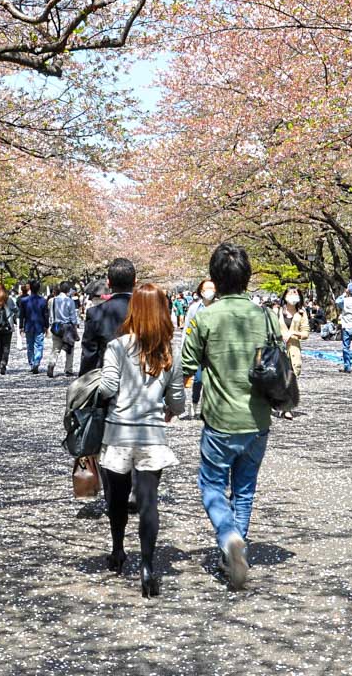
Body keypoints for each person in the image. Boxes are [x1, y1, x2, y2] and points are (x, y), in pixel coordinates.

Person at [180, 243, 273, 591]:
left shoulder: (204, 317)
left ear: (215, 281)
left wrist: (170, 405)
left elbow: (186, 367)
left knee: (212, 485)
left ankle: (229, 536)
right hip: (258, 418)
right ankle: (237, 548)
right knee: (245, 489)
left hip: (220, 418)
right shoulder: (265, 316)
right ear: (247, 278)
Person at [97, 283, 185, 598]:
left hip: (118, 434)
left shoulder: (117, 347)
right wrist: (169, 408)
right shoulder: (169, 350)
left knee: (117, 500)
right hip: (151, 437)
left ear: (134, 309)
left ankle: (118, 550)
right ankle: (148, 566)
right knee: (148, 502)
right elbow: (177, 403)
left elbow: (107, 388)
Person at [79, 258, 135, 376]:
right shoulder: (149, 311)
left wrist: (84, 381)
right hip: (144, 384)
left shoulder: (95, 313)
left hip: (107, 379)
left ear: (108, 283)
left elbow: (89, 354)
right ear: (135, 281)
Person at [179, 279, 216, 420]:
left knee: (211, 381)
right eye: (207, 289)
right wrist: (185, 347)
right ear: (201, 291)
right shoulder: (195, 308)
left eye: (212, 288)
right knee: (198, 379)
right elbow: (187, 328)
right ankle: (194, 404)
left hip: (213, 350)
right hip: (198, 348)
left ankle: (208, 408)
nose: (210, 292)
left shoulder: (218, 307)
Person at [47, 281, 79, 378]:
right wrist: (75, 326)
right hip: (67, 327)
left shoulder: (53, 300)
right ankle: (68, 369)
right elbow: (73, 317)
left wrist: (52, 324)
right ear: (68, 290)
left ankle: (51, 364)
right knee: (70, 348)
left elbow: (51, 315)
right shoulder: (70, 301)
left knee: (56, 348)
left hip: (56, 326)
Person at [18, 280, 49, 374]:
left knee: (30, 345)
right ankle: (37, 361)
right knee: (39, 345)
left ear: (30, 288)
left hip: (28, 326)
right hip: (39, 325)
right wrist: (46, 326)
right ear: (39, 288)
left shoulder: (24, 301)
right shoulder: (43, 301)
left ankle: (32, 363)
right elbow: (46, 315)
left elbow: (21, 315)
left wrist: (21, 326)